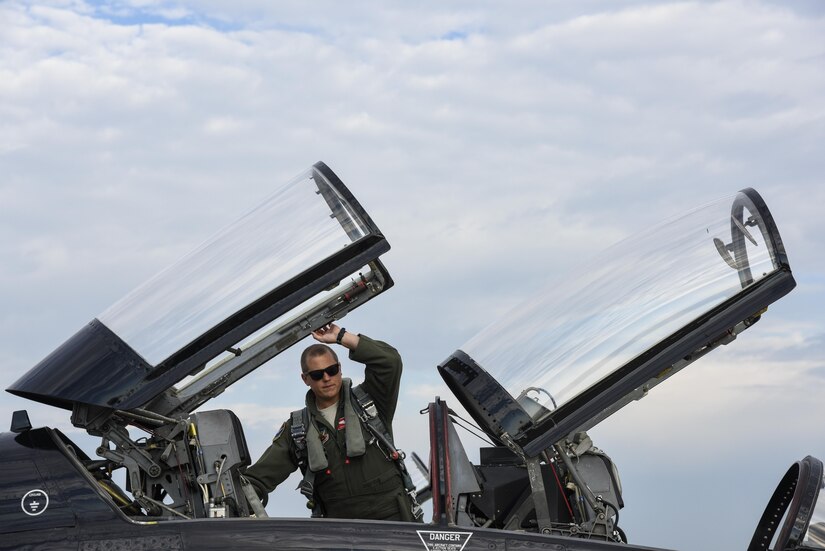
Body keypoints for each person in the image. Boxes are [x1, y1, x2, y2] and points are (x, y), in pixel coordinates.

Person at [243, 322, 421, 522]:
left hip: (395, 521)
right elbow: (257, 479)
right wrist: (230, 497)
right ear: (305, 379)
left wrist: (341, 336)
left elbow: (390, 361)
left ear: (340, 369)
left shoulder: (370, 402)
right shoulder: (297, 429)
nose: (326, 378)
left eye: (332, 370)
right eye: (318, 375)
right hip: (340, 531)